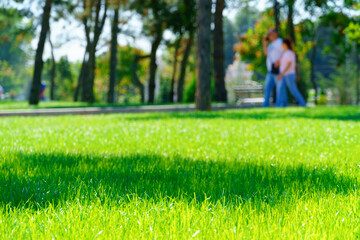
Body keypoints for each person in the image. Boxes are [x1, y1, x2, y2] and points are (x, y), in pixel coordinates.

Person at [276, 38, 306, 107]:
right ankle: (279, 106)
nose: (282, 45)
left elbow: (289, 65)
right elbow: (283, 64)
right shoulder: (284, 53)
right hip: (284, 75)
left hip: (289, 74)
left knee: (293, 90)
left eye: (282, 44)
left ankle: (303, 104)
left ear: (285, 44)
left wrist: (281, 74)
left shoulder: (290, 53)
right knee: (280, 90)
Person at [262, 28, 284, 107]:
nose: (268, 35)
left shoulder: (280, 42)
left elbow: (285, 52)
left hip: (279, 70)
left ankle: (279, 106)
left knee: (279, 89)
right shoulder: (271, 45)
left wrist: (279, 61)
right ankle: (265, 106)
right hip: (270, 70)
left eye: (270, 33)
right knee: (267, 88)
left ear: (275, 34)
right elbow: (266, 53)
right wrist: (264, 44)